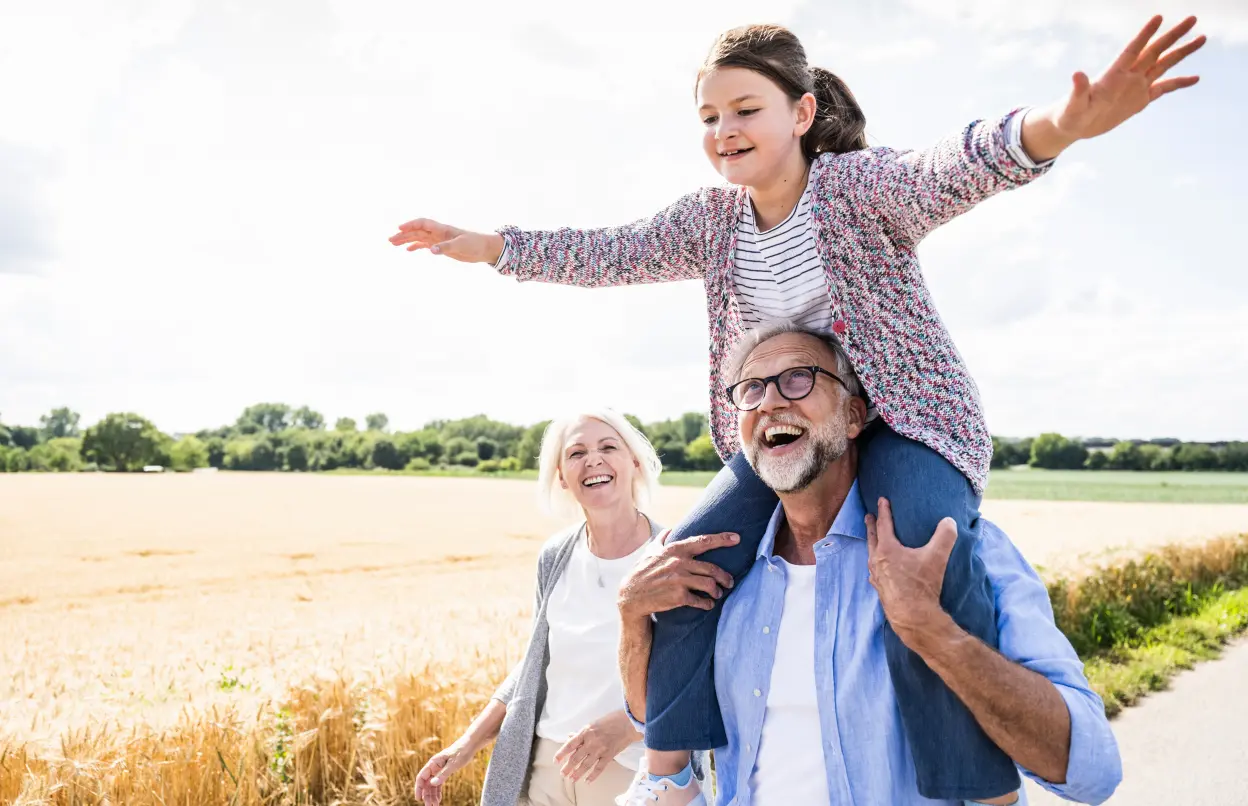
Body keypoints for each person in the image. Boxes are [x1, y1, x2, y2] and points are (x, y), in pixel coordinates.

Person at [390, 16, 1201, 802]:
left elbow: (952, 167)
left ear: (802, 112)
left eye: (746, 110)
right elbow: (611, 250)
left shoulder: (855, 189)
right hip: (787, 427)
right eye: (709, 116)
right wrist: (491, 246)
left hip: (908, 425)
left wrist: (1060, 123)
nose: (724, 130)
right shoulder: (711, 223)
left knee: (921, 561)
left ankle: (975, 790)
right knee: (680, 566)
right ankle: (670, 773)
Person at [616, 322, 1123, 806]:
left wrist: (932, 631)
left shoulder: (953, 550)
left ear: (855, 416)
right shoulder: (716, 574)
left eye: (798, 379)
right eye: (751, 389)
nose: (770, 401)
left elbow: (1091, 771)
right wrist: (632, 619)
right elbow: (650, 720)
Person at [414, 410, 666, 806]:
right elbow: (534, 663)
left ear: (635, 462)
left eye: (608, 447)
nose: (593, 460)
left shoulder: (670, 557)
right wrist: (467, 744)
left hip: (634, 770)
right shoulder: (556, 556)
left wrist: (629, 725)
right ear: (563, 477)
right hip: (547, 768)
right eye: (576, 452)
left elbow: (700, 675)